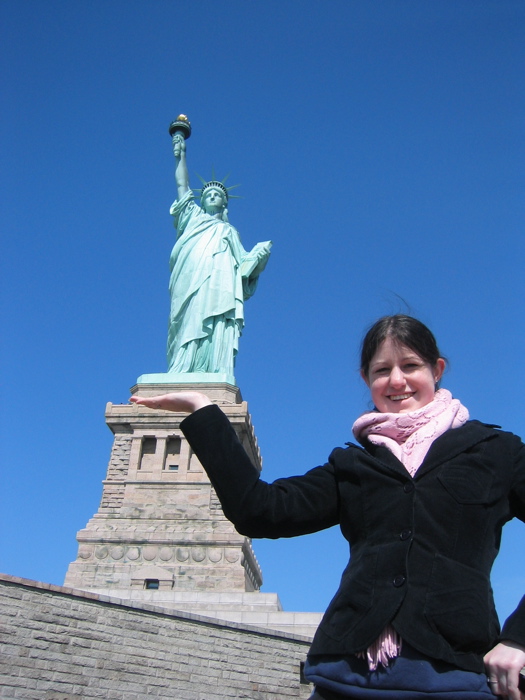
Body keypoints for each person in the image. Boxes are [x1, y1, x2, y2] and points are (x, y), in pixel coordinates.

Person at [130, 315, 525, 699]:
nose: (397, 380)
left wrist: (519, 638)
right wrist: (203, 411)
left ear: (437, 369)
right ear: (366, 380)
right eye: (382, 370)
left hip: (456, 675)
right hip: (345, 679)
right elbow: (259, 509)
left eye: (411, 365)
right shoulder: (353, 465)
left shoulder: (496, 452)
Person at [167, 131, 272, 375]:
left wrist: (259, 258)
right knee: (188, 318)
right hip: (190, 277)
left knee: (216, 321)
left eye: (218, 195)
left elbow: (243, 267)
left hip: (219, 282)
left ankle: (213, 367)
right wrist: (180, 155)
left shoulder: (228, 231)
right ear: (201, 201)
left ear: (224, 203)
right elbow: (182, 185)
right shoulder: (192, 217)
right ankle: (182, 368)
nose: (212, 196)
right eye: (208, 195)